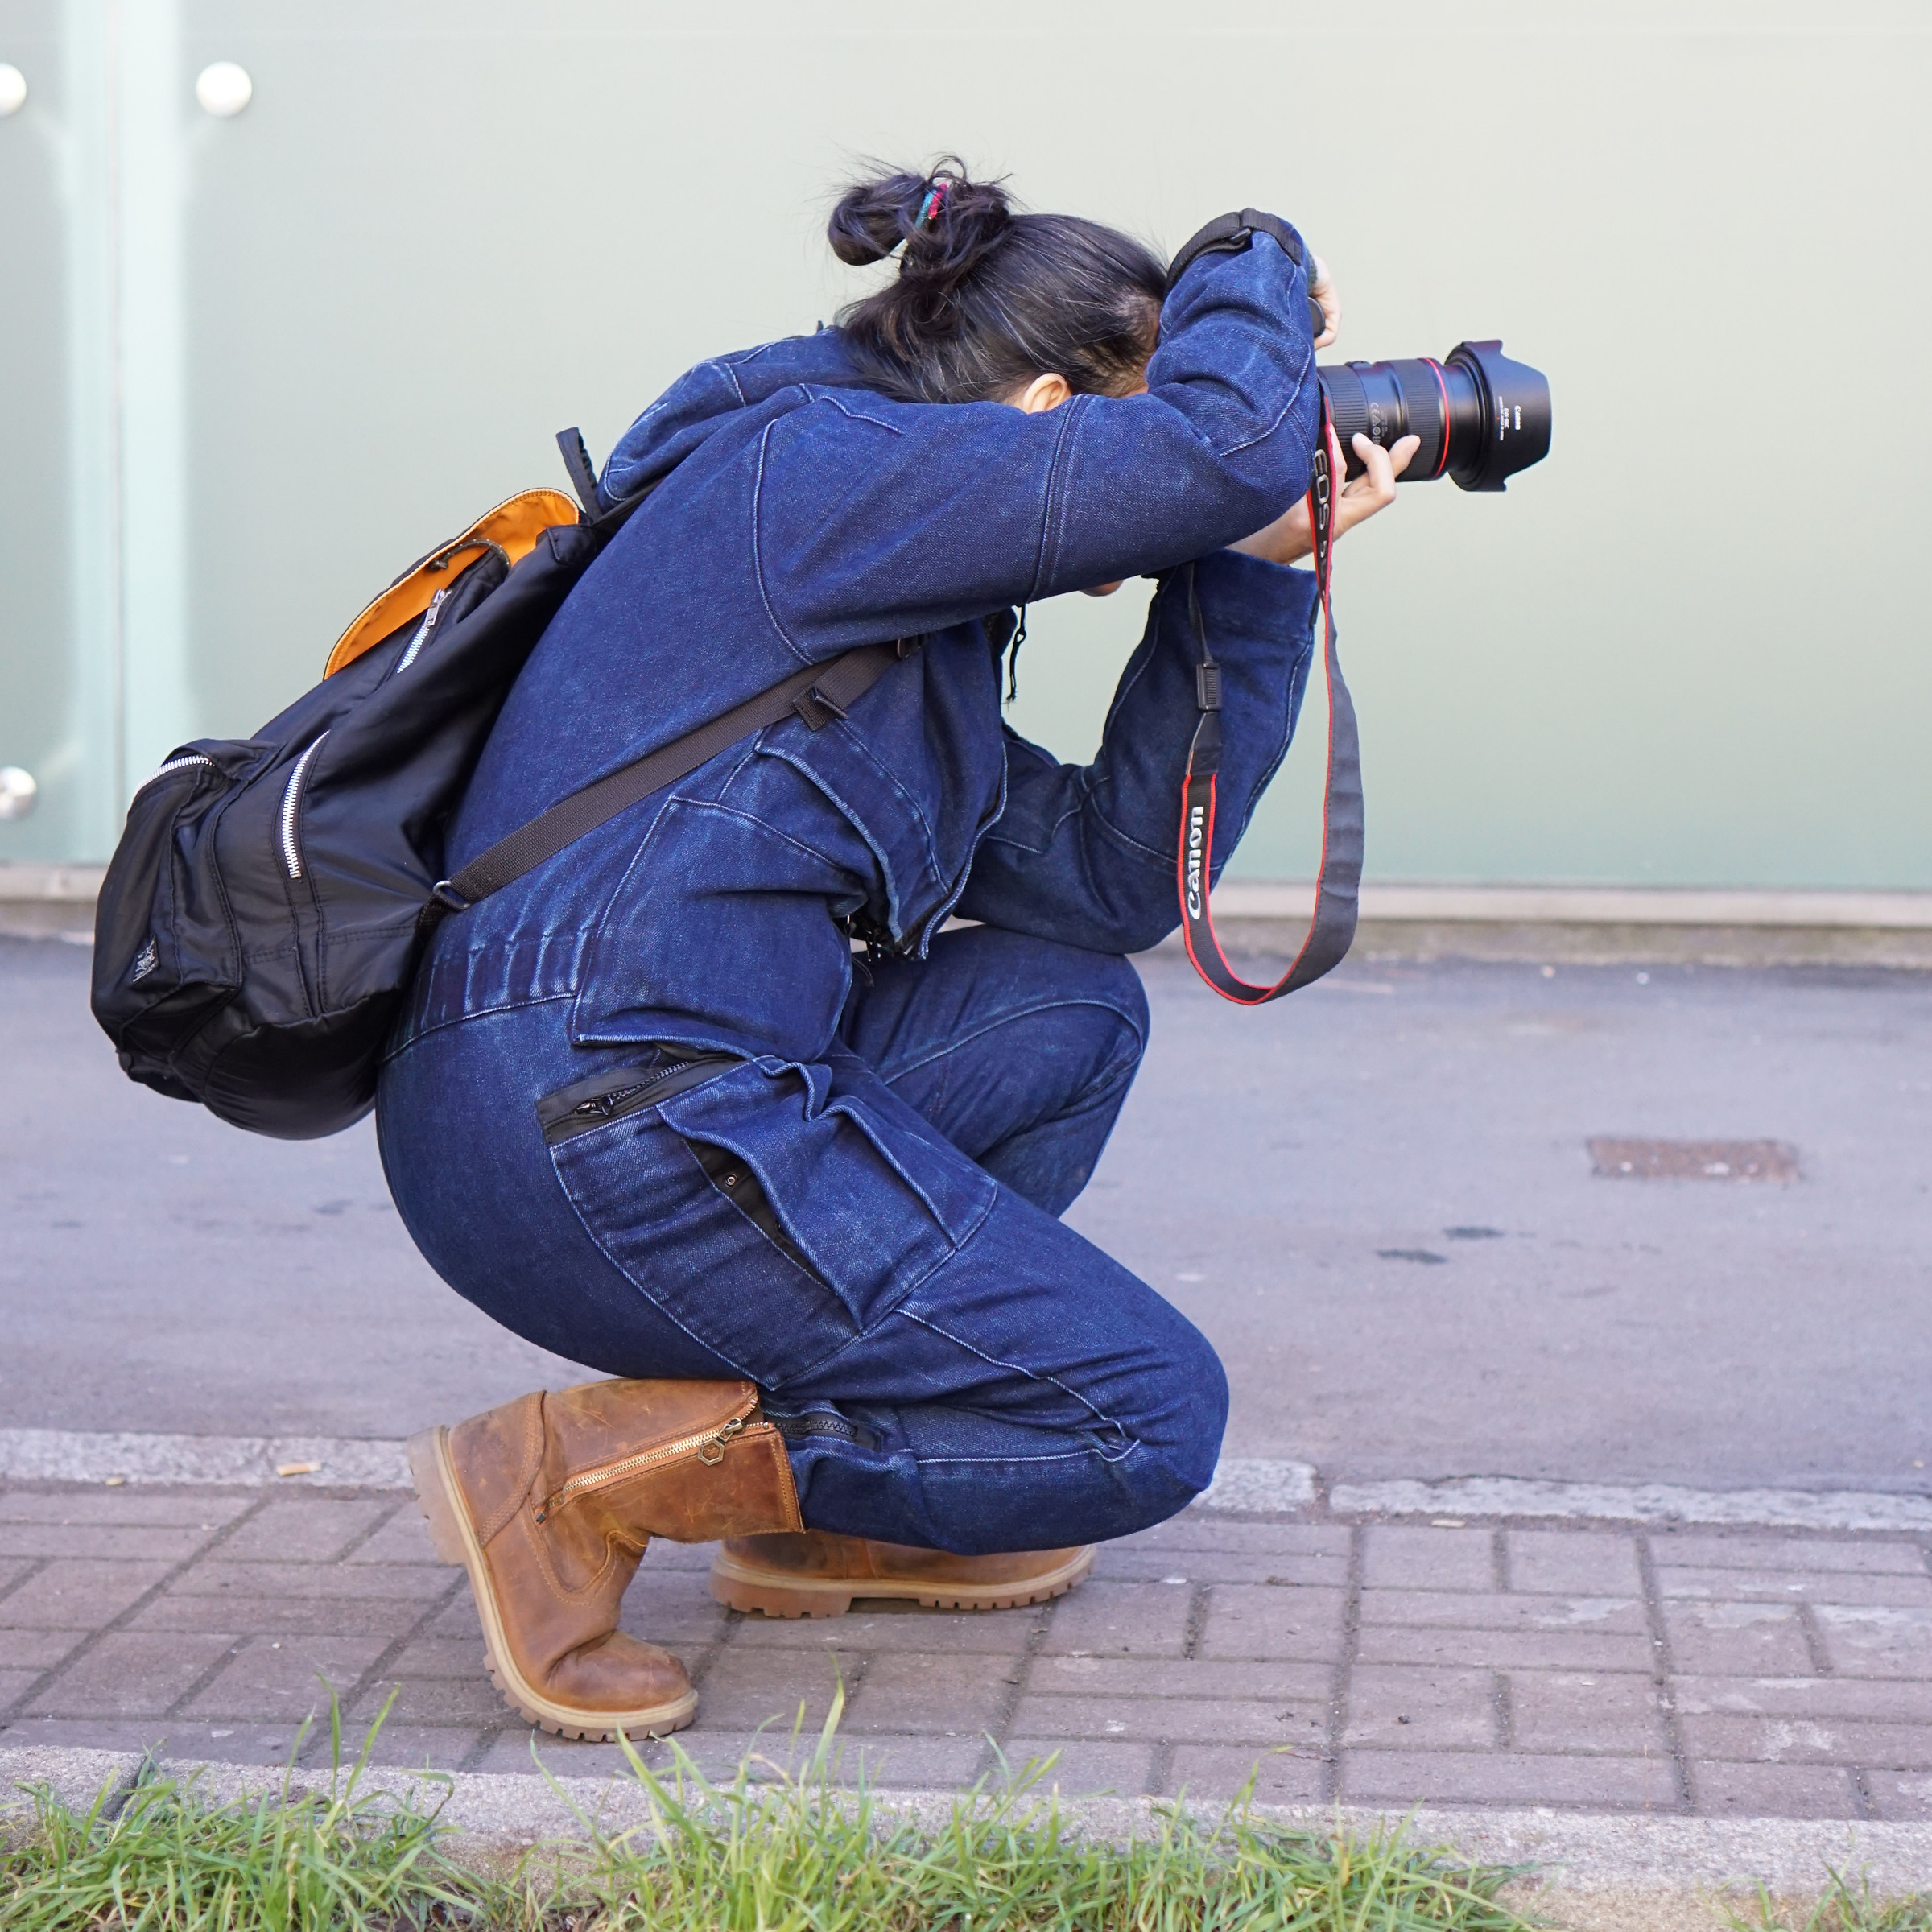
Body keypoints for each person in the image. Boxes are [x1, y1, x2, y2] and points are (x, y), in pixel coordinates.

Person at [380, 160, 1415, 1741]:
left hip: (618, 1094)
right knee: (1141, 1415)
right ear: (1053, 408)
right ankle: (572, 1485)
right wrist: (1252, 255)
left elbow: (1110, 878)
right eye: (1125, 467)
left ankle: (837, 1511)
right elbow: (1206, 448)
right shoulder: (822, 469)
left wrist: (1253, 578)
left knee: (1068, 1013)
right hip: (599, 1114)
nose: (1138, 538)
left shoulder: (892, 613)